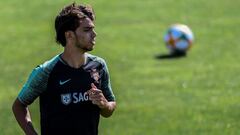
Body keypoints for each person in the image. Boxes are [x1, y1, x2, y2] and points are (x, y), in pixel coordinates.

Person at [12, 2, 116, 135]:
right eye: (87, 30)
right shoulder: (46, 71)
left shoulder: (99, 66)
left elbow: (110, 107)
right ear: (69, 35)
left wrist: (104, 104)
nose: (94, 34)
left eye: (93, 29)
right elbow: (19, 105)